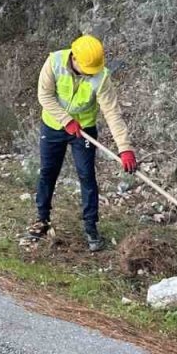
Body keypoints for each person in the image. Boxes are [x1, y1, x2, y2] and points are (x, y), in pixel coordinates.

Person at [28, 35, 136, 252]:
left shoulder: (101, 76)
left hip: (84, 132)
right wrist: (66, 120)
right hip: (53, 127)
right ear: (74, 58)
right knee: (48, 172)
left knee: (87, 175)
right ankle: (42, 219)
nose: (90, 73)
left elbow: (112, 113)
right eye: (87, 68)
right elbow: (45, 96)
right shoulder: (54, 62)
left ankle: (90, 226)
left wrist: (125, 148)